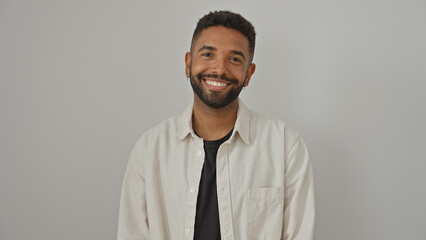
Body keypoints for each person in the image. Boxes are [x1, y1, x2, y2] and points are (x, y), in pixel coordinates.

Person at [117, 10, 315, 240]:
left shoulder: (285, 146)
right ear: (188, 63)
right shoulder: (150, 149)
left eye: (234, 59)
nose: (220, 69)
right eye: (208, 54)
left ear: (248, 74)